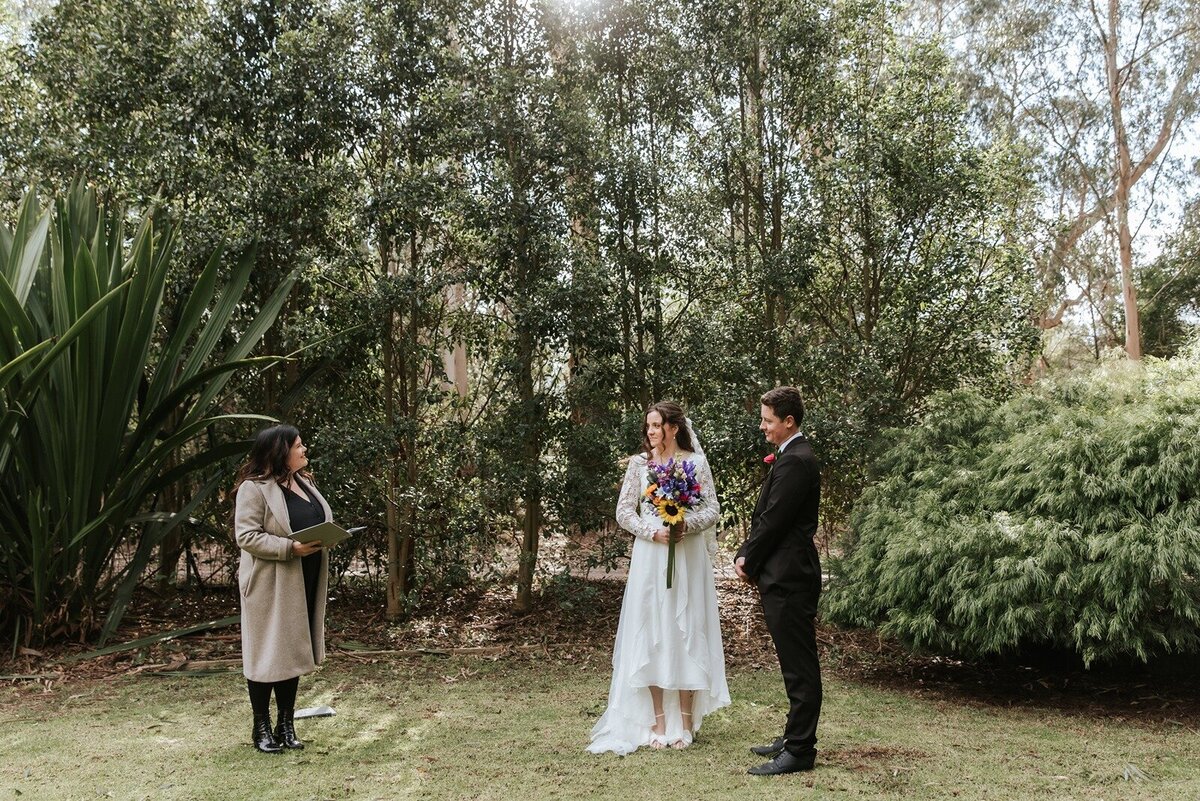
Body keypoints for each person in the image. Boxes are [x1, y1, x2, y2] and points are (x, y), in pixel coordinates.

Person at [588, 401, 729, 754]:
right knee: (652, 631)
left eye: (656, 425)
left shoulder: (695, 463)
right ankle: (657, 722)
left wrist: (685, 524)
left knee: (686, 632)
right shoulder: (640, 465)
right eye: (648, 426)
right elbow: (623, 511)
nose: (651, 432)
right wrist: (651, 532)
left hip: (687, 555)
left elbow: (711, 509)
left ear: (674, 428)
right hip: (651, 556)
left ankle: (683, 721)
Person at [735, 386, 823, 774]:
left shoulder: (797, 460)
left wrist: (748, 562)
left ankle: (801, 749)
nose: (763, 426)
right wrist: (745, 553)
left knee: (799, 665)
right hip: (783, 572)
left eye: (768, 420)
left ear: (789, 421)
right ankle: (792, 737)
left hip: (790, 576)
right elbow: (766, 516)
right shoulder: (790, 457)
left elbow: (774, 521)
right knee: (792, 661)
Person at [233, 424, 331, 754]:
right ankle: (261, 727)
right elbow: (246, 536)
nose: (304, 450)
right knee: (266, 653)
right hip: (268, 583)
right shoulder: (254, 488)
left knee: (290, 650)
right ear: (280, 452)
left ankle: (286, 725)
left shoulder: (304, 482)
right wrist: (290, 549)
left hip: (304, 576)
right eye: (299, 446)